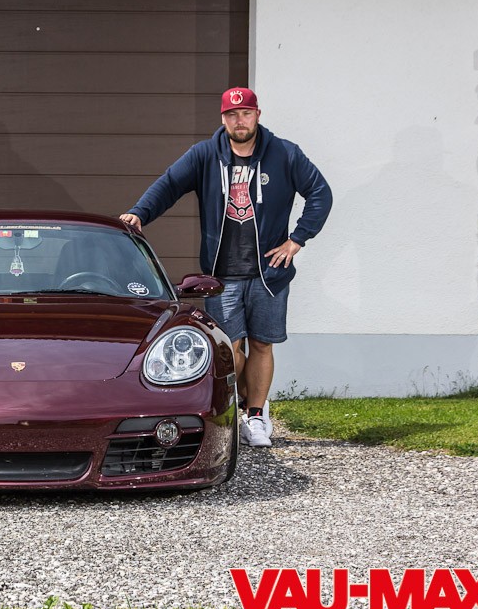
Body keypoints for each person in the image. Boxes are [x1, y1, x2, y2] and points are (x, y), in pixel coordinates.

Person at [120, 87, 331, 448]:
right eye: (232, 115)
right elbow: (169, 185)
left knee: (261, 345)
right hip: (222, 276)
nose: (239, 121)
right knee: (229, 350)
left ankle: (256, 417)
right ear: (223, 119)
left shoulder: (284, 154)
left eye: (246, 113)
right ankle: (246, 401)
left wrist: (297, 240)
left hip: (269, 273)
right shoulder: (204, 155)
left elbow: (320, 193)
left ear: (257, 115)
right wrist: (140, 212)